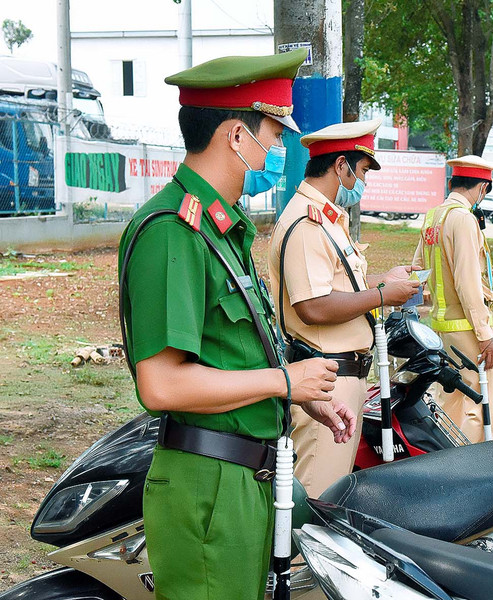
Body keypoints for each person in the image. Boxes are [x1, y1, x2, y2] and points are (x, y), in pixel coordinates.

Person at [118, 50, 356, 600]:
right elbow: (161, 384)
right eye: (273, 137)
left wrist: (297, 395)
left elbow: (233, 353)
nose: (277, 152)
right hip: (209, 486)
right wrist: (283, 382)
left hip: (246, 477)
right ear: (235, 136)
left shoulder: (224, 229)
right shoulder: (174, 231)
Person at [268, 118, 422, 497]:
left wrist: (382, 283)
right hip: (325, 379)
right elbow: (313, 306)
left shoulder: (328, 218)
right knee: (316, 501)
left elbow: (340, 288)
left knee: (332, 494)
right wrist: (382, 296)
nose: (364, 181)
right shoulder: (307, 223)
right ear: (341, 166)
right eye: (363, 171)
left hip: (340, 377)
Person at [412, 155, 493, 442]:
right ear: (483, 188)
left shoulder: (434, 216)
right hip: (466, 327)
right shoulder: (463, 219)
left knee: (451, 397)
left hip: (442, 325)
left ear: (453, 182)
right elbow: (468, 283)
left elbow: (417, 267)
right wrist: (484, 334)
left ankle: (444, 453)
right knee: (482, 398)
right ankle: (470, 460)